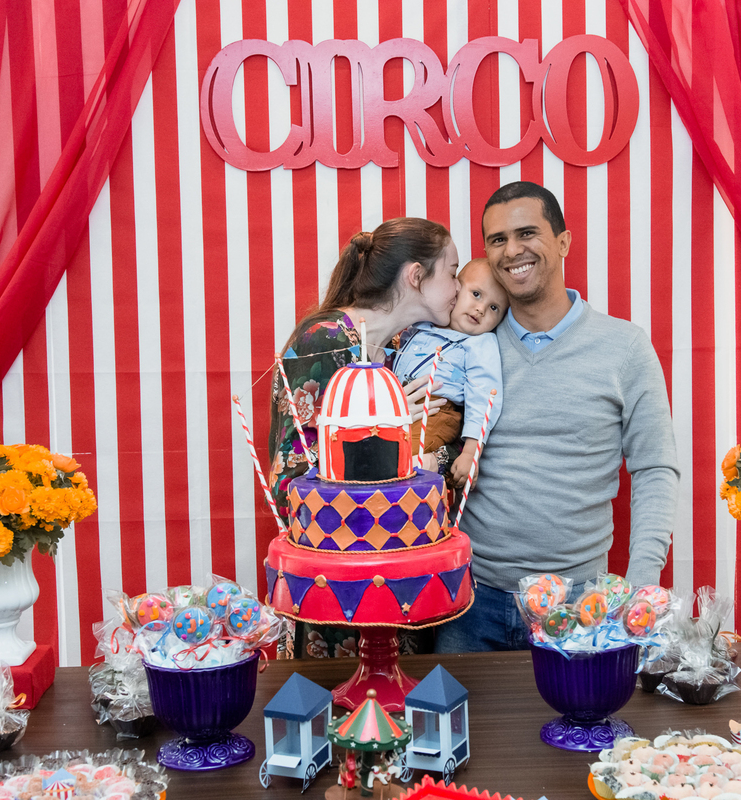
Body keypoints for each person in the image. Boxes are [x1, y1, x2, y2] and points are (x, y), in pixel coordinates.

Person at [434, 181, 680, 653]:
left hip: (580, 604)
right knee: (466, 728)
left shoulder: (624, 347)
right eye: (497, 239)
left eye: (527, 233)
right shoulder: (462, 345)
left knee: (578, 724)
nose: (512, 251)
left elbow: (654, 468)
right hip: (468, 600)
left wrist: (642, 584)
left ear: (564, 242)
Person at [268, 217, 459, 658]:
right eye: (451, 270)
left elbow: (430, 457)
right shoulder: (326, 341)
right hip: (341, 592)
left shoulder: (400, 350)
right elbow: (290, 481)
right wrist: (388, 441)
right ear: (416, 276)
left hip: (400, 587)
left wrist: (427, 459)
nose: (458, 285)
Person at [393, 258, 509, 486]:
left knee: (398, 459)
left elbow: (484, 397)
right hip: (397, 407)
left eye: (494, 308)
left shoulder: (479, 343)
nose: (481, 309)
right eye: (476, 294)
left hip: (437, 411)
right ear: (455, 289)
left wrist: (470, 453)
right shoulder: (424, 323)